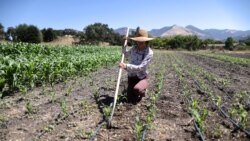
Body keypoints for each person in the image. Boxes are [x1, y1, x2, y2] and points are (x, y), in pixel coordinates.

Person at [119, 28, 154, 104]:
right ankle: (134, 89)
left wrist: (126, 66)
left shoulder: (149, 52)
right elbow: (125, 54)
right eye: (138, 41)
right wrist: (124, 44)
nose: (139, 43)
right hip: (131, 77)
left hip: (141, 77)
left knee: (137, 90)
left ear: (146, 41)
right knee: (129, 99)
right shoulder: (134, 48)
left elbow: (141, 67)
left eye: (142, 41)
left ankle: (143, 89)